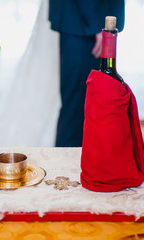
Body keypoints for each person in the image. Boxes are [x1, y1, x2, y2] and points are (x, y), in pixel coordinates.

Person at [49, 0, 125, 147]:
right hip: (84, 22)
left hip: (83, 21)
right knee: (76, 108)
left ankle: (81, 159)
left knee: (85, 105)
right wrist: (98, 24)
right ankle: (65, 165)